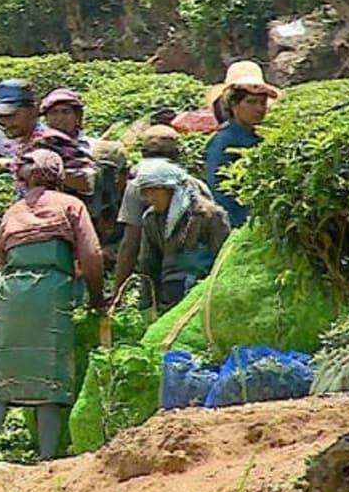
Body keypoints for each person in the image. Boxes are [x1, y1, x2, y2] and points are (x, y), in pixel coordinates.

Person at [0, 149, 105, 461]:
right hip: (52, 291)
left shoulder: (13, 211)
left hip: (12, 294)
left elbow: (1, 258)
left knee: (3, 375)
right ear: (58, 175)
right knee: (49, 374)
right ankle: (47, 457)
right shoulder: (70, 205)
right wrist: (96, 298)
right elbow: (92, 256)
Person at [113, 125, 214, 297]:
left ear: (143, 153)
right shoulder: (196, 184)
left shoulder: (136, 186)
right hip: (202, 281)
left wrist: (118, 291)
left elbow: (131, 243)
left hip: (169, 280)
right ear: (177, 155)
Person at [135, 160, 230, 314]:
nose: (149, 198)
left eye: (153, 191)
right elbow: (148, 263)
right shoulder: (151, 219)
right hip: (170, 296)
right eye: (145, 192)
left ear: (171, 189)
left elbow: (223, 261)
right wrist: (146, 305)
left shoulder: (209, 215)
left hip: (203, 295)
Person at [203, 61, 279, 229]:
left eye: (262, 102)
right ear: (234, 105)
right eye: (251, 102)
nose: (259, 108)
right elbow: (219, 193)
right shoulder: (223, 141)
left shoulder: (261, 137)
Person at [0, 78, 45, 178]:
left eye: (11, 115)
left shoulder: (49, 140)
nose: (5, 122)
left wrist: (8, 164)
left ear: (33, 111)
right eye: (0, 116)